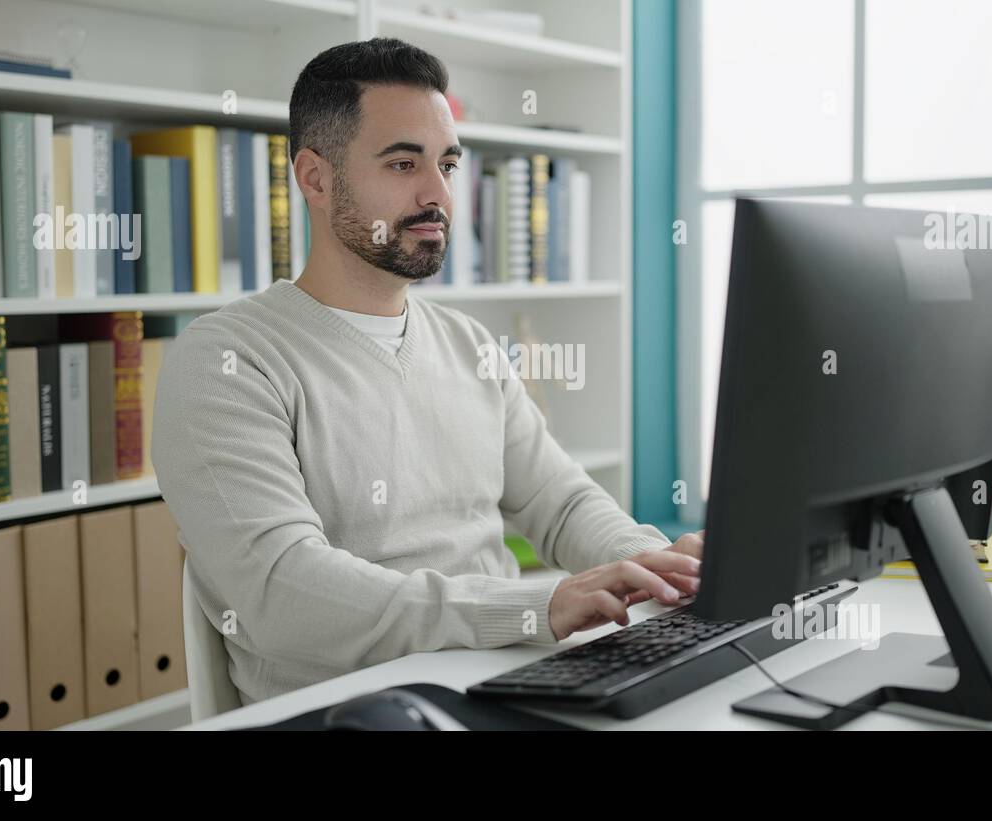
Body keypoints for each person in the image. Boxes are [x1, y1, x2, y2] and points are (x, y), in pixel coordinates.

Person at [152, 37, 703, 704]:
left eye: (447, 163)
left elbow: (559, 502)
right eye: (404, 162)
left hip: (502, 681)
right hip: (348, 712)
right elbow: (281, 589)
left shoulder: (466, 341)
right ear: (315, 178)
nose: (438, 193)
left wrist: (654, 564)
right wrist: (530, 606)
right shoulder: (225, 363)